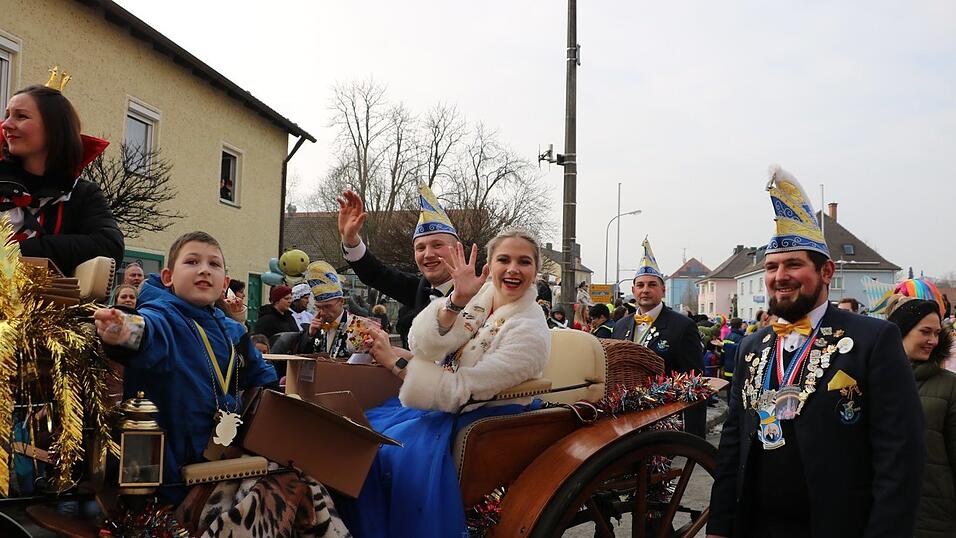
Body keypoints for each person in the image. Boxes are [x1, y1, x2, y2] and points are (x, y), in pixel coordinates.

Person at [707, 166, 923, 538]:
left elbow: (900, 455)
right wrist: (720, 526)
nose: (780, 276)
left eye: (794, 264)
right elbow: (732, 445)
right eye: (772, 267)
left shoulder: (874, 339)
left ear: (826, 272)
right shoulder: (750, 347)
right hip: (757, 526)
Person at [339, 228, 550, 538]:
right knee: (355, 433)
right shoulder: (479, 302)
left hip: (484, 414)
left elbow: (462, 390)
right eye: (504, 259)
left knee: (383, 451)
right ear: (489, 266)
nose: (513, 269)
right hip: (443, 407)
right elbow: (423, 346)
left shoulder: (530, 329)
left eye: (524, 262)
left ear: (536, 271)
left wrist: (397, 365)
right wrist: (455, 301)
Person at [94, 231, 278, 504]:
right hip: (168, 480)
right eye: (192, 262)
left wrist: (287, 394)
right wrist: (123, 330)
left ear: (224, 282)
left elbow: (260, 377)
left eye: (214, 264)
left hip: (219, 466)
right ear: (168, 277)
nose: (204, 269)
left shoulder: (233, 331)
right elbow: (147, 333)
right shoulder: (163, 316)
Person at [1, 83, 123, 274]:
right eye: (7, 115)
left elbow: (109, 247)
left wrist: (16, 252)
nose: (6, 124)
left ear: (54, 127)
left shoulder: (82, 193)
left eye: (21, 116)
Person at [337, 185, 457, 347]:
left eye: (437, 245)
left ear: (457, 250)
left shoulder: (476, 295)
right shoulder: (420, 289)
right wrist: (350, 240)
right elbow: (377, 274)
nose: (428, 254)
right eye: (420, 248)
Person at [611, 236, 705, 436]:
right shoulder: (620, 326)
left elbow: (695, 382)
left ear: (663, 289)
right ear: (633, 290)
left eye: (652, 284)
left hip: (663, 422)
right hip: (624, 422)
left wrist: (695, 437)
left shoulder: (682, 326)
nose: (645, 290)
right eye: (641, 285)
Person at [885, 295, 955, 537]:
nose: (933, 341)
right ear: (901, 331)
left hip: (932, 518)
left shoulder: (950, 386)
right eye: (925, 332)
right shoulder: (870, 380)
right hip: (879, 513)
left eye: (936, 333)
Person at [292, 261, 364, 360]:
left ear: (341, 301)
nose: (323, 312)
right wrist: (309, 335)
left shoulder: (357, 327)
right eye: (318, 307)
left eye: (327, 306)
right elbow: (301, 359)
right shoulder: (317, 328)